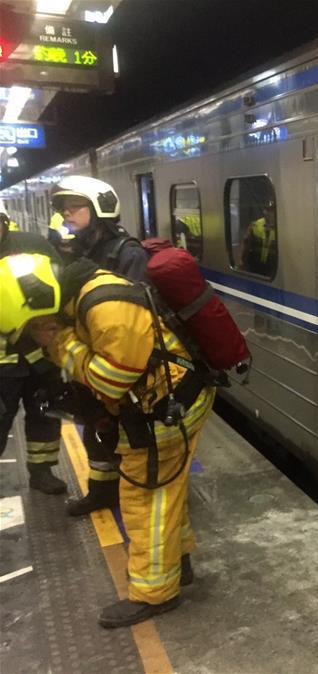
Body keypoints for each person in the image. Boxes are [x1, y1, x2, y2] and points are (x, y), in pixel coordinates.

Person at [0, 252, 214, 627]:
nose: (36, 336)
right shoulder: (79, 298)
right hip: (158, 402)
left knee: (144, 498)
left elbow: (111, 379)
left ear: (40, 306)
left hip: (169, 406)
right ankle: (176, 564)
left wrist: (62, 342)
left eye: (33, 328)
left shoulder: (104, 308)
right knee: (167, 493)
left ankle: (154, 592)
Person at [49, 176, 150, 516]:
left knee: (125, 438)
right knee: (95, 434)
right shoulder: (80, 250)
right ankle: (102, 492)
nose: (66, 215)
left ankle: (137, 496)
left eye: (74, 208)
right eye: (64, 209)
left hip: (120, 368)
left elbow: (132, 324)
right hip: (92, 361)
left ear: (99, 209)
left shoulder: (128, 253)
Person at [0, 210, 66, 494]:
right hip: (4, 360)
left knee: (44, 412)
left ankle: (42, 471)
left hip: (42, 354)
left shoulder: (33, 244)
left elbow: (61, 284)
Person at [238, 200, 277, 276]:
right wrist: (240, 260)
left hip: (272, 269)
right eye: (266, 210)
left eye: (271, 211)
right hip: (254, 266)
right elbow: (245, 242)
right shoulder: (256, 224)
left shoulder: (281, 228)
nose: (266, 213)